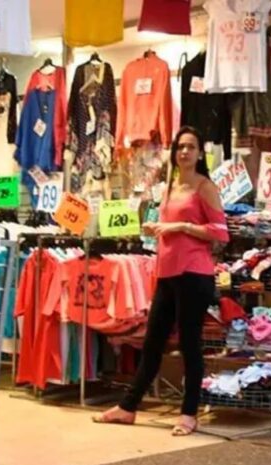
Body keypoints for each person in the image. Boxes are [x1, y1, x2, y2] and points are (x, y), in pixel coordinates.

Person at [93, 126, 229, 434]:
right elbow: (170, 228)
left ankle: (189, 413)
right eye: (180, 146)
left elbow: (221, 233)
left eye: (191, 147)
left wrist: (181, 226)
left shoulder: (205, 187)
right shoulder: (169, 186)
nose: (185, 152)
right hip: (167, 272)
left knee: (189, 344)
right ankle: (128, 407)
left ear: (200, 153)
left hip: (194, 273)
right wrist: (158, 229)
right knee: (152, 342)